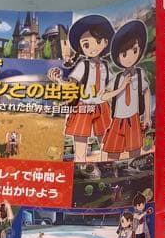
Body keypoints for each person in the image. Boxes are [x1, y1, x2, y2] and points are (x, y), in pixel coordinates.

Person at [48, 14, 114, 163]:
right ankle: (79, 163)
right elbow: (71, 85)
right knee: (81, 138)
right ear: (81, 47)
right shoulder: (83, 65)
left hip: (102, 106)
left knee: (104, 137)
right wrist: (59, 80)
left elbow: (111, 84)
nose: (92, 48)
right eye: (86, 45)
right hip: (84, 105)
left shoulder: (105, 66)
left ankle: (106, 163)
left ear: (105, 42)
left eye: (98, 41)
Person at [101, 20, 151, 161]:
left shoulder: (140, 74)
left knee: (135, 152)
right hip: (117, 120)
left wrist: (147, 116)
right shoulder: (117, 78)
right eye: (124, 54)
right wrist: (121, 88)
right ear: (118, 57)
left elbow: (146, 91)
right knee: (113, 152)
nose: (130, 58)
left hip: (134, 118)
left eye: (134, 51)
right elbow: (103, 96)